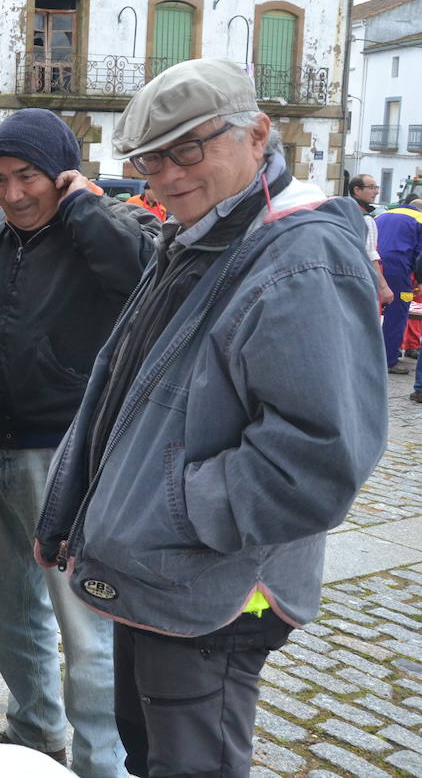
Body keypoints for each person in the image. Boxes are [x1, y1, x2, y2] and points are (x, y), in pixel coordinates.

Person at [35, 59, 386, 778]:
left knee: (193, 766)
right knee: (147, 750)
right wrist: (75, 511)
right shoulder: (207, 232)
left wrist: (173, 513)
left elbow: (315, 459)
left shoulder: (300, 257)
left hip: (219, 588)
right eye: (150, 158)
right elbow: (128, 394)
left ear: (258, 134)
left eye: (188, 149)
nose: (165, 175)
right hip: (161, 573)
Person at [0, 108, 155, 773]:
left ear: (64, 174)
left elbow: (142, 274)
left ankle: (102, 763)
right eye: (0, 178)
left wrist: (79, 208)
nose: (14, 194)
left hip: (73, 454)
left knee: (85, 624)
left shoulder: (107, 226)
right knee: (6, 599)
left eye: (29, 176)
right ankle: (34, 728)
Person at [373, 198, 422, 373]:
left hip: (373, 265)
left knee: (369, 312)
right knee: (397, 313)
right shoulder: (419, 219)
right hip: (398, 269)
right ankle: (389, 360)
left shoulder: (382, 215)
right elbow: (420, 256)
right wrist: (419, 280)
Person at [347, 174, 393, 308]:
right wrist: (383, 287)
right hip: (363, 279)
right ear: (357, 190)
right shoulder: (366, 219)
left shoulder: (343, 213)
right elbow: (370, 255)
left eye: (376, 187)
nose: (377, 191)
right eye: (372, 187)